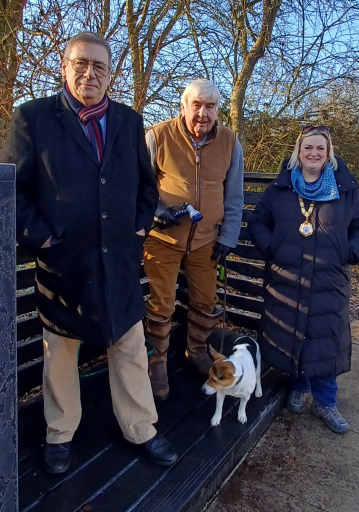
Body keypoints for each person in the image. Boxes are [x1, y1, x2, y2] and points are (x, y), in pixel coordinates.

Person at [3, 31, 177, 474]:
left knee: (130, 345)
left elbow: (146, 185)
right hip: (64, 263)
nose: (90, 73)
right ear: (64, 67)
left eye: (99, 66)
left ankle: (142, 428)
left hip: (117, 258)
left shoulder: (128, 121)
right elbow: (14, 191)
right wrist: (42, 237)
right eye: (81, 63)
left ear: (110, 74)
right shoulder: (33, 118)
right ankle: (60, 434)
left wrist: (139, 227)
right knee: (60, 351)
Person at [247, 126, 359, 434]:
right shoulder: (280, 188)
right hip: (288, 274)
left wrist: (352, 252)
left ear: (329, 153)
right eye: (308, 148)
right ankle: (299, 386)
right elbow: (258, 221)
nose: (314, 153)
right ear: (298, 152)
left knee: (325, 337)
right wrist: (272, 246)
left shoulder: (346, 190)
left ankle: (325, 402)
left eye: (320, 148)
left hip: (329, 279)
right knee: (294, 332)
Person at [143, 79, 244, 400]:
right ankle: (157, 361)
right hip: (162, 239)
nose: (203, 113)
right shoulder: (158, 136)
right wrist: (155, 211)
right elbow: (137, 186)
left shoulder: (230, 142)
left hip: (206, 241)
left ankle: (197, 351)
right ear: (183, 106)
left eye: (210, 106)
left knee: (206, 301)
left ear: (218, 110)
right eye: (196, 105)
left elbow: (235, 194)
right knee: (162, 303)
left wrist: (228, 236)